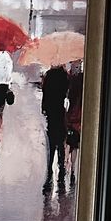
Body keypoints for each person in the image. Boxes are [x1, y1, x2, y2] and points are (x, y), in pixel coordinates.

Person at [41, 63, 69, 192]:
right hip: (60, 110)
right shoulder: (64, 76)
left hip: (51, 110)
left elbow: (45, 92)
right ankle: (61, 167)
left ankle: (50, 168)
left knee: (51, 140)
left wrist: (44, 108)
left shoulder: (49, 75)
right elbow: (66, 92)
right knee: (61, 139)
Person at [65, 61, 83, 184]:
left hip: (72, 117)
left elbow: (69, 97)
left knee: (70, 143)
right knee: (75, 145)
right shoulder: (83, 79)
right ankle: (73, 168)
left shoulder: (71, 80)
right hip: (79, 118)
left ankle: (69, 166)